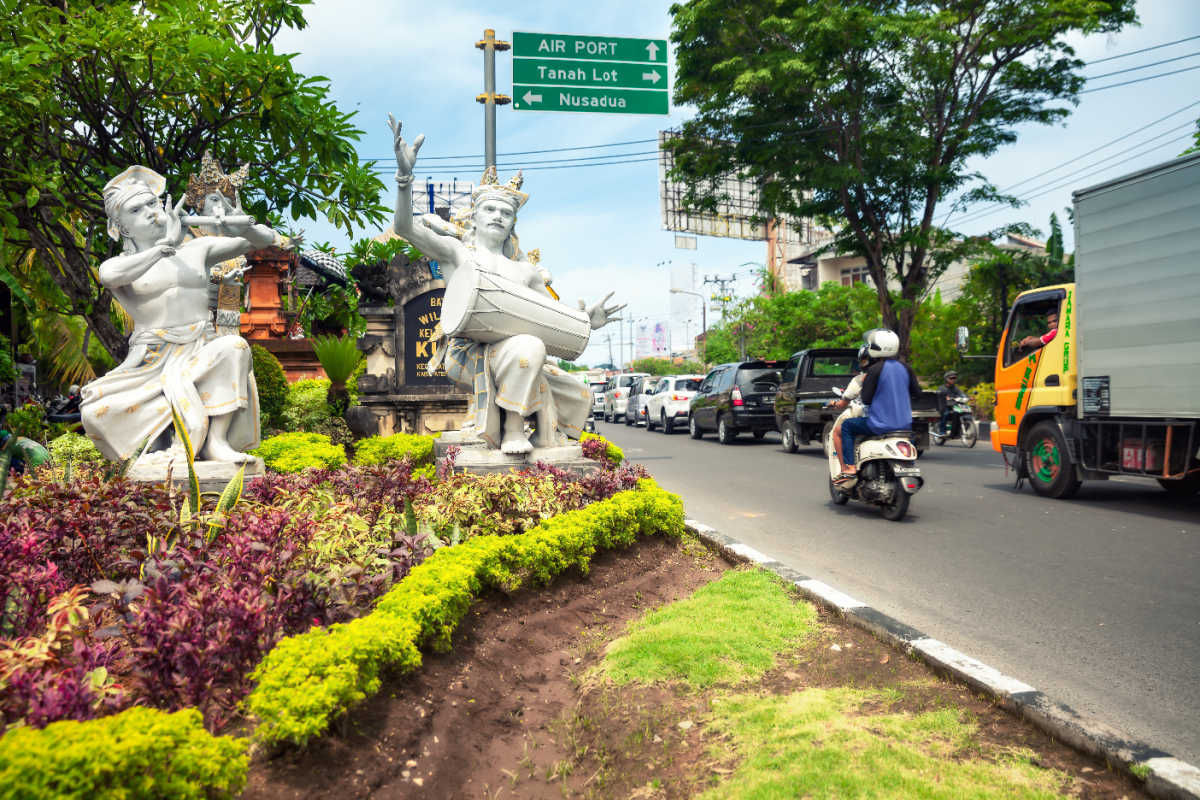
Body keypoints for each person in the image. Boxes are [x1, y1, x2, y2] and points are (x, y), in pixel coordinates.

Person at [388, 116, 624, 454]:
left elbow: (553, 317)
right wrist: (404, 178)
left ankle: (520, 429)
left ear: (513, 221)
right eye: (491, 209)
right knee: (528, 348)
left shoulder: (525, 272)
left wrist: (589, 322)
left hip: (518, 350)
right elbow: (405, 228)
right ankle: (512, 429)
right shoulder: (457, 253)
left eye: (506, 212)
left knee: (529, 346)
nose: (498, 215)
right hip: (465, 352)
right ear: (475, 216)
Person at [79, 164, 284, 463]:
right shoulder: (121, 263)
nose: (150, 212)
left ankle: (216, 441)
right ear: (122, 227)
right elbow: (110, 276)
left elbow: (264, 241)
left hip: (200, 350)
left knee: (234, 347)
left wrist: (246, 225)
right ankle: (161, 444)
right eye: (137, 210)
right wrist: (164, 246)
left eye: (152, 203)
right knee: (94, 413)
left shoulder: (197, 250)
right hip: (150, 361)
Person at [833, 329, 920, 481]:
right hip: (905, 425)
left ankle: (850, 467)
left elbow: (866, 399)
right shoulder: (906, 368)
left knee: (847, 426)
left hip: (879, 424)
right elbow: (917, 394)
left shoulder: (875, 370)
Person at [936, 370, 968, 435]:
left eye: (954, 378)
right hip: (944, 407)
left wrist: (965, 397)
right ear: (946, 379)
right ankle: (942, 431)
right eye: (951, 378)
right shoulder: (941, 388)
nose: (953, 380)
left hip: (954, 406)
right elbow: (939, 396)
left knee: (962, 413)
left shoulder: (955, 388)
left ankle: (957, 431)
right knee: (946, 414)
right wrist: (945, 398)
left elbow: (961, 394)